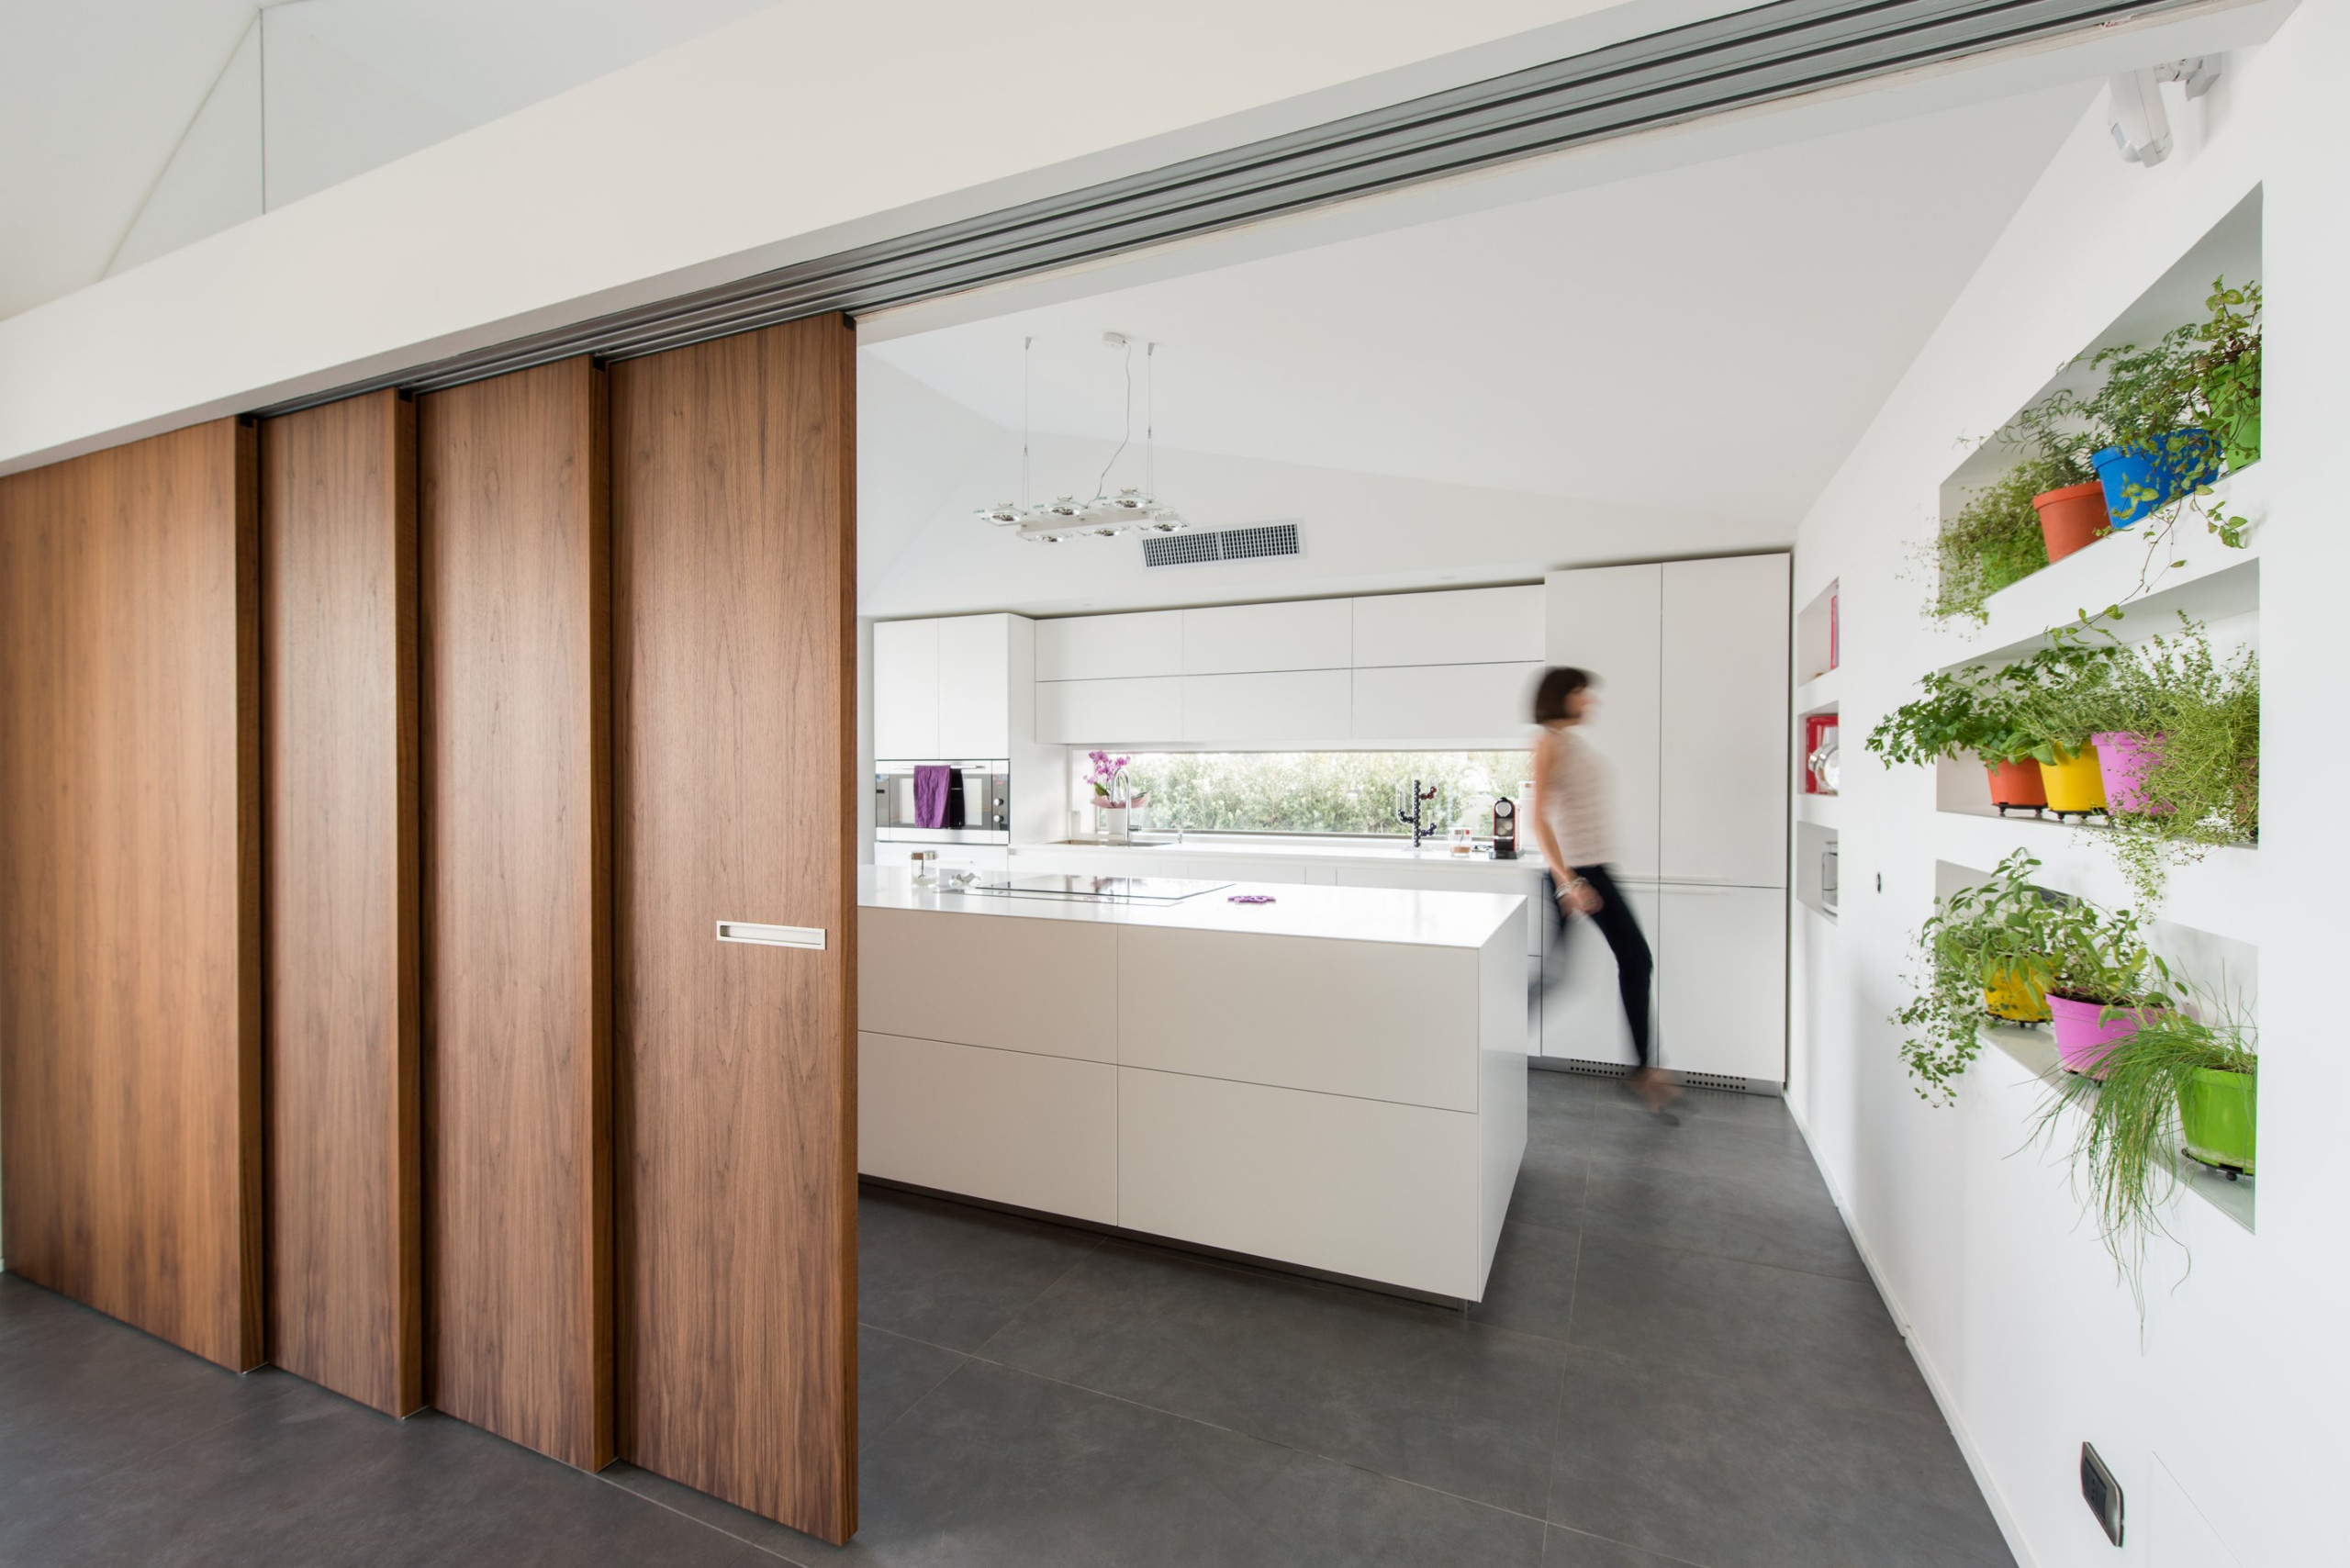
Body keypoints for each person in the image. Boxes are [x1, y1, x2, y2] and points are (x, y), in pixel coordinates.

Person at [1528, 666, 1681, 1117]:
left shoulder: (1572, 743)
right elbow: (1538, 819)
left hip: (1594, 869)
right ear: (1560, 696)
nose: (1588, 700)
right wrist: (1568, 881)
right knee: (1619, 963)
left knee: (1623, 963)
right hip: (1580, 873)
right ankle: (1483, 1031)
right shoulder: (1548, 743)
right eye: (1580, 693)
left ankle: (1643, 1069)